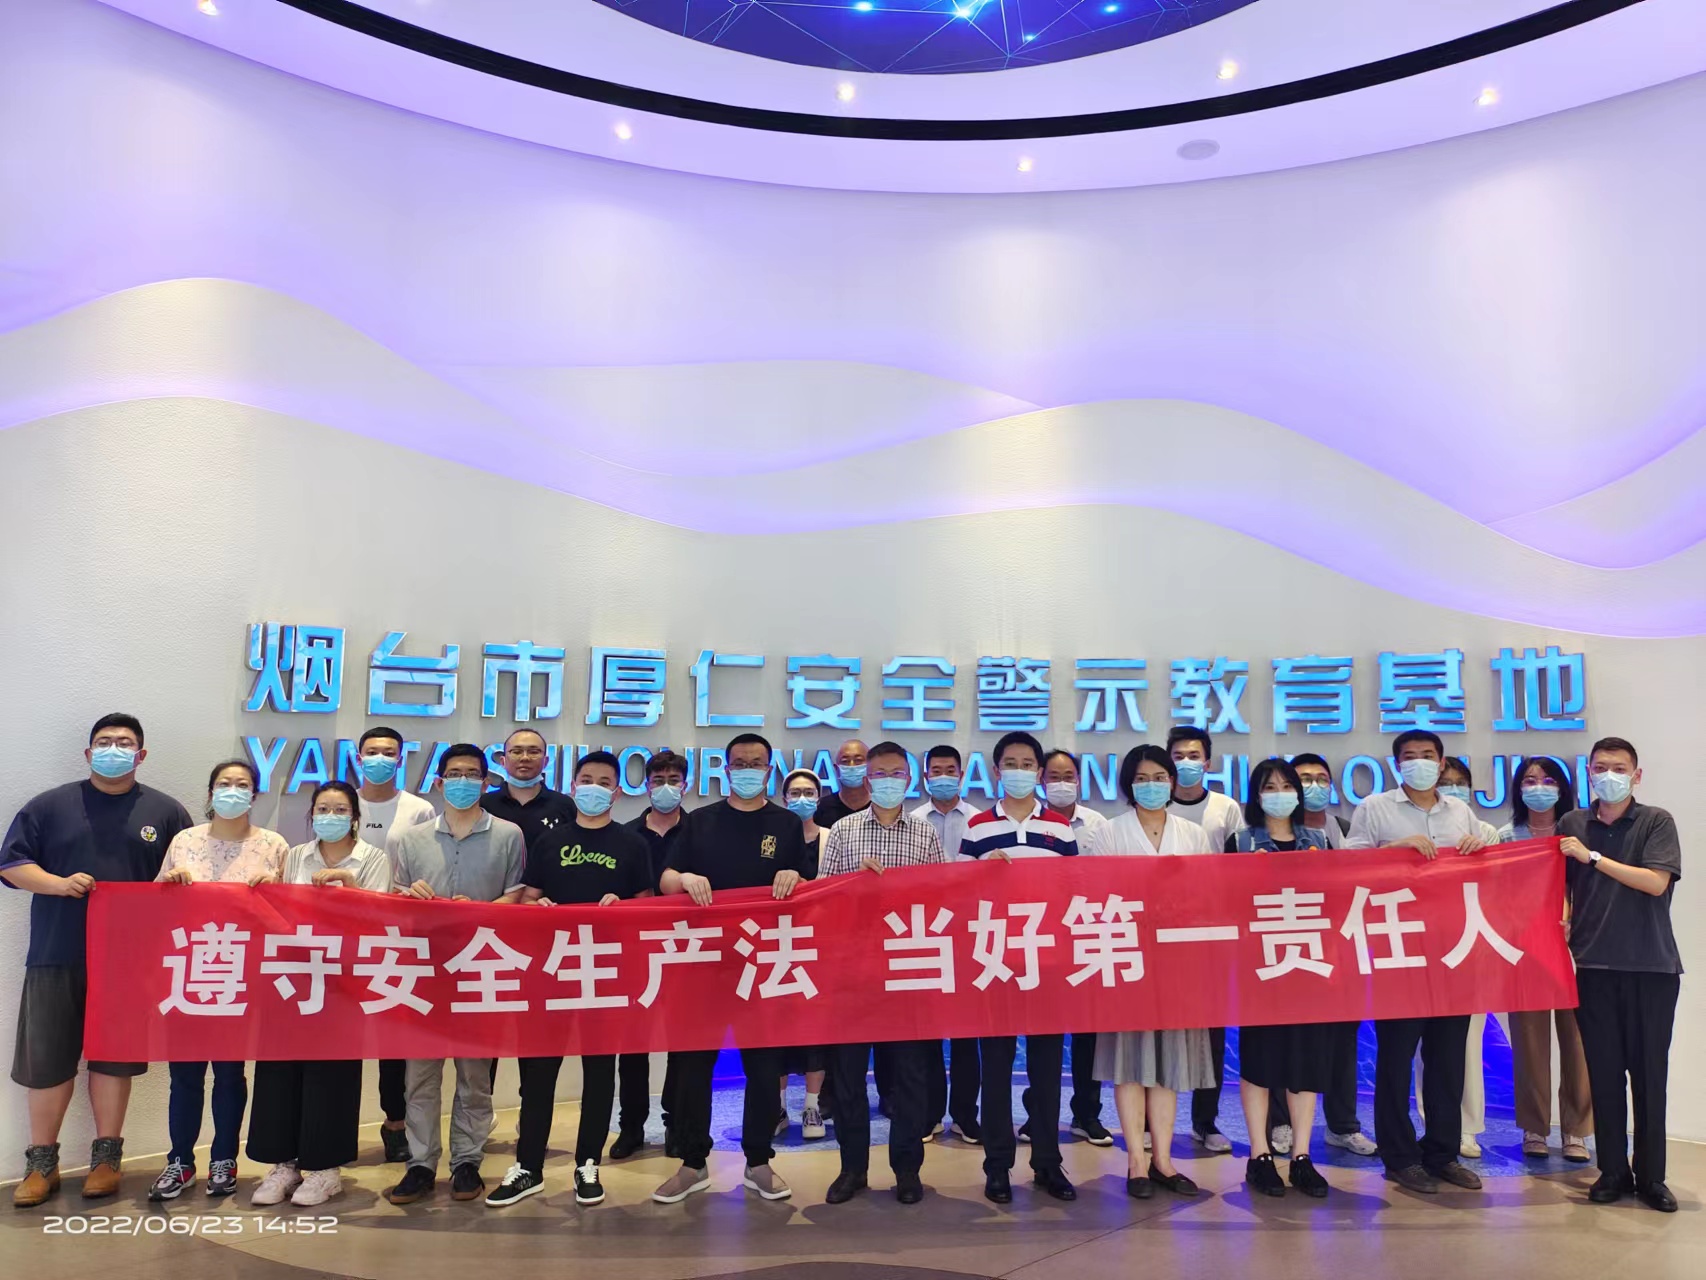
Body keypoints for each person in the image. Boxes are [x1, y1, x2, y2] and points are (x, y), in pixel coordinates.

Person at [4, 714, 192, 1208]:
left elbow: (188, 875)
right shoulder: (49, 806)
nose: (114, 749)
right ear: (88, 754)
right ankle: (41, 1164)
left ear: (141, 755)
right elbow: (12, 865)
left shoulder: (166, 812)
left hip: (130, 960)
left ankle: (107, 1159)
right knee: (47, 1058)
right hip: (55, 952)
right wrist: (59, 884)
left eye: (124, 743)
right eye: (104, 742)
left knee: (114, 1057)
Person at [485, 751, 654, 1209]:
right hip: (550, 973)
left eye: (604, 781)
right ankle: (528, 1167)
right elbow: (528, 898)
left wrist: (624, 908)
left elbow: (648, 907)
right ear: (573, 786)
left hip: (605, 974)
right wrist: (535, 907)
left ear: (616, 792)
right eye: (586, 780)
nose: (594, 788)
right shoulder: (549, 840)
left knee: (599, 1073)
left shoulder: (632, 844)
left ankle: (587, 1164)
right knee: (538, 1074)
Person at [653, 733, 805, 1205]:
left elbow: (808, 886)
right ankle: (692, 1162)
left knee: (763, 1066)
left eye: (756, 763)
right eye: (739, 762)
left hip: (763, 963)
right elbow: (665, 879)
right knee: (693, 1066)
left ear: (769, 770)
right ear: (726, 768)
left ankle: (758, 1162)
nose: (747, 770)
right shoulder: (701, 821)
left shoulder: (786, 823)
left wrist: (796, 877)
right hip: (703, 963)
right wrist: (684, 878)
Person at [1345, 729, 1488, 1195]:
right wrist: (1394, 851)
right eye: (1410, 756)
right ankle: (1400, 1156)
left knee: (1447, 1059)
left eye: (1428, 755)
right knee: (1396, 1058)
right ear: (1396, 764)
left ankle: (1442, 1152)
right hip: (1399, 950)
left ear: (1442, 763)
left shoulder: (1460, 811)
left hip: (1451, 948)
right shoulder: (1375, 808)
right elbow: (1348, 868)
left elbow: (1481, 868)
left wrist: (1477, 851)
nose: (1419, 763)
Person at [385, 744, 527, 1207]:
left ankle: (467, 1161)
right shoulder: (411, 839)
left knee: (475, 1076)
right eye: (453, 774)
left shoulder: (508, 834)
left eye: (471, 774)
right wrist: (409, 896)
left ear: (485, 782)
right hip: (424, 973)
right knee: (420, 1076)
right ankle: (420, 1164)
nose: (462, 781)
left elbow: (516, 896)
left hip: (480, 970)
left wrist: (480, 912)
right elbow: (395, 900)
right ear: (439, 782)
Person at [147, 760, 289, 1201]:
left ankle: (225, 1159)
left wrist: (275, 890)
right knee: (185, 1075)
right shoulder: (184, 841)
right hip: (188, 972)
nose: (233, 790)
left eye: (242, 784)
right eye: (224, 783)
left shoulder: (274, 845)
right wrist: (168, 887)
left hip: (242, 975)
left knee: (230, 1073)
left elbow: (291, 916)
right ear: (210, 792)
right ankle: (180, 1161)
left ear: (254, 795)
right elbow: (152, 907)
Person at [246, 781, 393, 1207]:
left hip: (343, 983)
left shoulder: (373, 858)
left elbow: (382, 920)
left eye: (340, 810)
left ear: (355, 818)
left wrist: (352, 889)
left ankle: (326, 1169)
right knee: (281, 1071)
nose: (330, 816)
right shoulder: (295, 855)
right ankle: (284, 1164)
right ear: (311, 816)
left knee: (331, 1074)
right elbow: (281, 912)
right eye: (322, 809)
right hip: (293, 979)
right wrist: (266, 890)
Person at [818, 740, 946, 1205]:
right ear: (867, 780)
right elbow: (823, 900)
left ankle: (907, 1169)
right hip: (853, 973)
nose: (887, 781)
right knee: (849, 1078)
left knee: (909, 1077)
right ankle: (852, 1169)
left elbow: (941, 900)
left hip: (907, 972)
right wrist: (855, 885)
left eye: (896, 773)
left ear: (908, 780)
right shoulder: (843, 831)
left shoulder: (925, 834)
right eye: (879, 774)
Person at [1559, 737, 1682, 1214]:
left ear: (1636, 775)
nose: (1608, 775)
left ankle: (1652, 1177)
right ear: (1588, 772)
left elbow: (1654, 882)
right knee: (1604, 1075)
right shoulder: (1574, 823)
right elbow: (1560, 887)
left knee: (1649, 1076)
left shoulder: (1655, 821)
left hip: (1651, 968)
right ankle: (1612, 1171)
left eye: (1618, 767)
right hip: (1592, 968)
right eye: (1599, 767)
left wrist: (1592, 857)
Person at [957, 731, 1078, 1204]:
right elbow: (959, 894)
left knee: (1047, 1069)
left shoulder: (1060, 829)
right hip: (996, 961)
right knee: (996, 1068)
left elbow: (1074, 893)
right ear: (996, 770)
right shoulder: (978, 827)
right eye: (1011, 763)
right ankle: (997, 1165)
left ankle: (1048, 1162)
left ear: (1039, 772)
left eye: (1028, 764)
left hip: (1046, 961)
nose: (1020, 771)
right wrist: (980, 871)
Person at [1091, 745, 1213, 1200]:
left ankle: (1163, 1159)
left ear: (1172, 781)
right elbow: (1099, 897)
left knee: (1168, 1063)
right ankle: (1136, 1162)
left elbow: (1206, 894)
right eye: (1142, 778)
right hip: (1126, 958)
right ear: (1128, 784)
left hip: (1178, 963)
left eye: (1159, 777)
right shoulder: (1109, 832)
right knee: (1130, 1064)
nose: (1152, 785)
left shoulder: (1193, 833)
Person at [1230, 758, 1339, 1199]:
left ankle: (1301, 1156)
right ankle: (1259, 1156)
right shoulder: (1240, 842)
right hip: (1259, 968)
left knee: (1305, 1065)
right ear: (1256, 796)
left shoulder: (1319, 841)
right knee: (1259, 1061)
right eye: (1269, 787)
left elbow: (1337, 900)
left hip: (1309, 965)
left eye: (1286, 785)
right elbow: (1223, 903)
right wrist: (1247, 875)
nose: (1280, 794)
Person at [1498, 757, 1591, 1162]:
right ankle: (1534, 1128)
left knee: (1579, 1041)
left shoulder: (1580, 832)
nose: (1539, 787)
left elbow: (1590, 886)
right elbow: (1495, 894)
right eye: (1531, 780)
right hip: (1526, 951)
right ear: (1518, 788)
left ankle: (1576, 1131)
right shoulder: (1506, 836)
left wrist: (1574, 920)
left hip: (1578, 949)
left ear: (1563, 788)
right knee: (1530, 1042)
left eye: (1549, 780)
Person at [354, 724, 437, 1162]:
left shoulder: (419, 809)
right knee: (343, 1031)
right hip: (344, 933)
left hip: (398, 936)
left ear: (401, 758)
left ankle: (395, 1121)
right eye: (372, 751)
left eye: (388, 752)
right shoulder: (343, 804)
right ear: (358, 756)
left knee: (393, 1035)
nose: (380, 759)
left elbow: (423, 866)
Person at [1021, 750, 1111, 1148]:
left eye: (1068, 775)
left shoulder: (1097, 824)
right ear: (1042, 780)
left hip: (1087, 935)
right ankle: (1037, 1116)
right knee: (1043, 1034)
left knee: (1089, 1032)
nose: (1061, 783)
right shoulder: (1030, 823)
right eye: (1054, 776)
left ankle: (1086, 1114)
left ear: (1079, 780)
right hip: (1041, 939)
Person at [1289, 753, 1377, 1157]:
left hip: (1340, 950)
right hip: (1290, 949)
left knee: (1343, 1042)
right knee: (1289, 1040)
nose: (1314, 786)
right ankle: (1283, 1124)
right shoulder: (1274, 835)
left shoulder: (1344, 830)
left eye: (1321, 779)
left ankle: (1342, 1125)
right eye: (1303, 779)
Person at [1167, 726, 1246, 1155]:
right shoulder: (1155, 804)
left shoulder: (1225, 808)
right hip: (1161, 931)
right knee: (1159, 1025)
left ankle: (1205, 1120)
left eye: (1194, 755)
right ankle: (1153, 1121)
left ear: (1208, 762)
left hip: (1212, 930)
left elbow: (1237, 867)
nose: (1186, 762)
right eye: (1178, 755)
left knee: (1211, 1031)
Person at [613, 749, 693, 1160]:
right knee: (633, 1044)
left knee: (683, 1044)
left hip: (687, 949)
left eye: (673, 780)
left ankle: (677, 1124)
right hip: (634, 951)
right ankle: (631, 1126)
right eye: (658, 779)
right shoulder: (626, 835)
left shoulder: (700, 832)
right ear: (646, 785)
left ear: (686, 785)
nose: (665, 787)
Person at [1431, 756, 1505, 1158]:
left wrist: (1482, 855)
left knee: (1469, 1044)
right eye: (1446, 781)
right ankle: (1432, 1124)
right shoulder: (1417, 831)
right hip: (1424, 950)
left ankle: (1467, 1127)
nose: (1453, 788)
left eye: (1460, 782)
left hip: (1469, 949)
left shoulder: (1486, 832)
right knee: (1428, 1050)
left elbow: (1500, 889)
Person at [909, 744, 982, 1145]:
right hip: (927, 934)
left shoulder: (979, 820)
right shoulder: (914, 821)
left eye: (949, 770)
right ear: (925, 776)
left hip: (970, 935)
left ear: (961, 774)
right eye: (935, 770)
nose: (943, 776)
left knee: (968, 1033)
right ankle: (930, 1113)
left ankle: (966, 1116)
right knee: (928, 1033)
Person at [777, 767, 829, 1141]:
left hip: (819, 946)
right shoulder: (772, 837)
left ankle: (812, 1106)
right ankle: (777, 1106)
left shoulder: (831, 837)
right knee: (776, 1031)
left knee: (816, 1029)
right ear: (784, 798)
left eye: (809, 792)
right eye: (794, 793)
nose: (801, 799)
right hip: (776, 944)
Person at [481, 727, 576, 848]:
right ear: (503, 761)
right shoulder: (484, 805)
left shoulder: (565, 805)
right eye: (516, 752)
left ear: (545, 761)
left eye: (534, 752)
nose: (525, 758)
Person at [814, 738, 871, 828]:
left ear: (871, 766)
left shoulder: (880, 808)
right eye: (845, 761)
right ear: (837, 769)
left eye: (858, 760)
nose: (852, 766)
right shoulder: (821, 808)